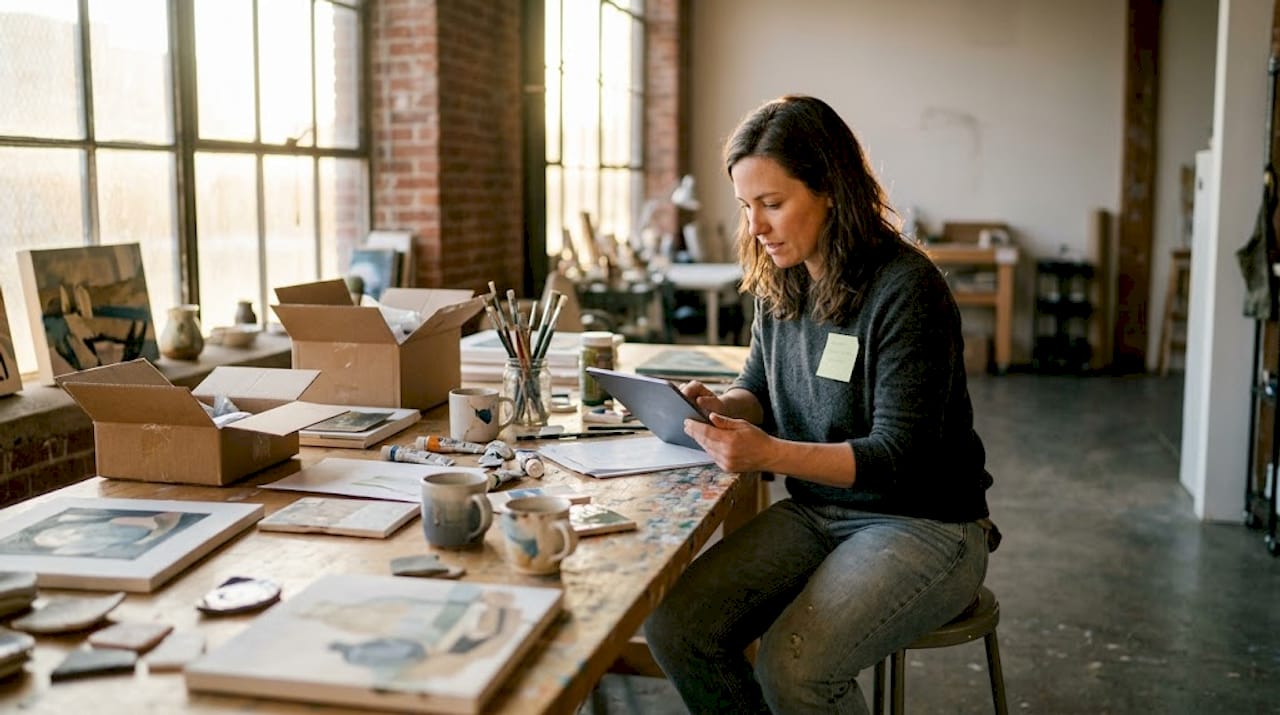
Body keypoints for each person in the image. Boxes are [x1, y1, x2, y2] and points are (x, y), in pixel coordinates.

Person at [644, 94, 996, 714]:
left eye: (773, 204)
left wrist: (767, 453)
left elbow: (898, 457)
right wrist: (719, 407)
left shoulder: (907, 288)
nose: (756, 227)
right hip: (821, 514)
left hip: (924, 525)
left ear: (831, 189)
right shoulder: (782, 277)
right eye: (747, 207)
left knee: (795, 669)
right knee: (678, 629)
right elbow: (758, 386)